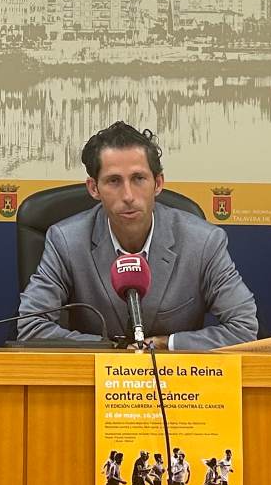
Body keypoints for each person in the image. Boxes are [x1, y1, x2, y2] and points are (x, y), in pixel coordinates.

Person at [17, 121, 257, 349]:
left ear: (158, 183)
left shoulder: (203, 242)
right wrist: (113, 351)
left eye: (139, 178)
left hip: (176, 383)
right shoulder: (67, 241)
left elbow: (244, 328)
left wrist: (166, 344)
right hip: (94, 383)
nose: (129, 195)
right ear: (93, 188)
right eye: (113, 181)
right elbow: (31, 326)